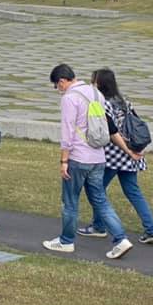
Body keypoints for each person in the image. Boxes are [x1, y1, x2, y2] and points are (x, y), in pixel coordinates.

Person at [42, 64, 133, 260]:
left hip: (78, 157)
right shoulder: (95, 93)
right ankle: (120, 238)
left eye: (57, 86)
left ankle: (66, 241)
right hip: (98, 156)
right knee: (100, 200)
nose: (59, 90)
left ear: (62, 81)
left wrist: (63, 160)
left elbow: (67, 132)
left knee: (70, 202)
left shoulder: (70, 98)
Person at [78, 68, 153, 244]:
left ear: (98, 83)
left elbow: (109, 131)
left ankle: (99, 226)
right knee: (133, 191)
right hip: (129, 155)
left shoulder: (102, 103)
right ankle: (151, 228)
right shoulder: (124, 101)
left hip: (112, 154)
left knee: (97, 190)